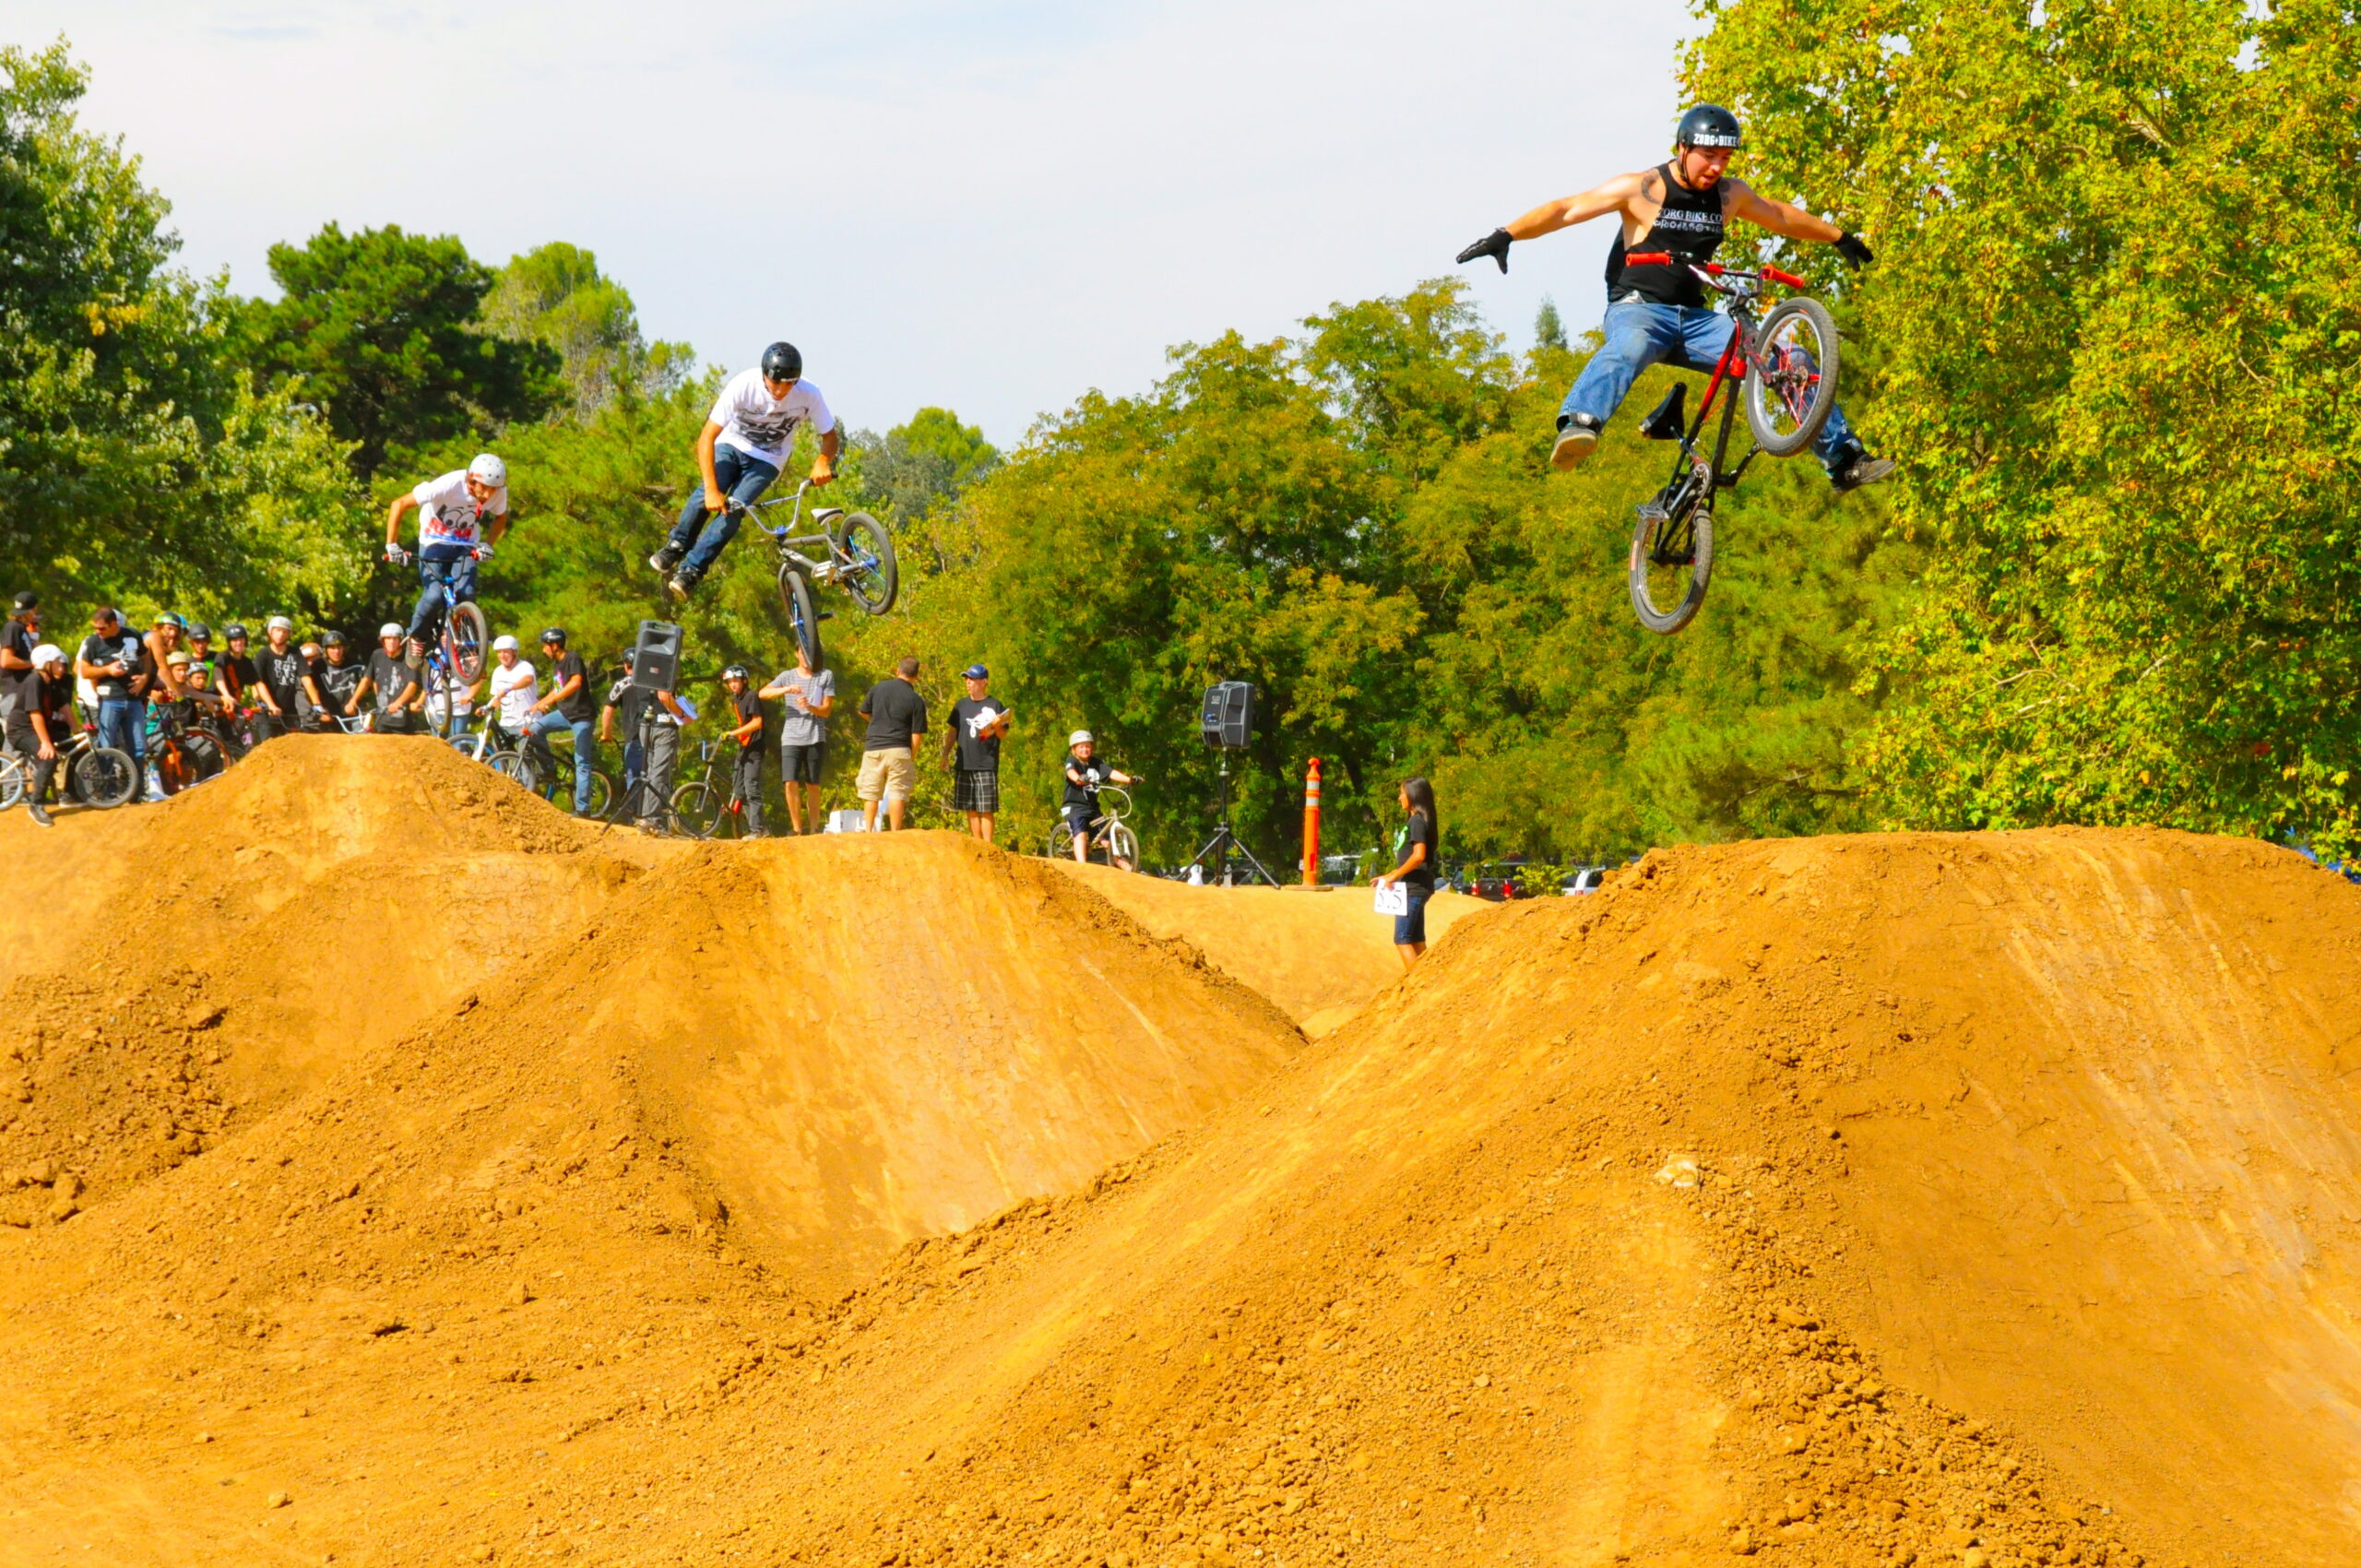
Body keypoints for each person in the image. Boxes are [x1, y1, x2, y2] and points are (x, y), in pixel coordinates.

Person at [1456, 103, 1894, 492]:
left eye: (1724, 158)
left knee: (1788, 359)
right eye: (1708, 156)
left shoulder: (1730, 194)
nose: (1716, 168)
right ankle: (1579, 423)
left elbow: (1778, 215)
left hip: (1699, 320)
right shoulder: (1643, 188)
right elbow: (1567, 208)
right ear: (1683, 148)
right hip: (1640, 310)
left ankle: (1843, 461)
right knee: (1631, 345)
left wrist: (1838, 237)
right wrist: (1507, 233)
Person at [647, 342, 837, 600]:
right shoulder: (743, 385)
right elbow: (706, 438)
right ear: (764, 376)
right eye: (775, 383)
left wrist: (823, 460)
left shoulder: (809, 394)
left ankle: (691, 571)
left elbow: (829, 436)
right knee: (707, 492)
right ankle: (676, 545)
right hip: (732, 445)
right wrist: (713, 490)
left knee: (736, 508)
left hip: (769, 459)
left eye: (788, 385)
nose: (781, 390)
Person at [386, 453, 509, 644]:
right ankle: (417, 637)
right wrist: (392, 545)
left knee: (466, 592)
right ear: (472, 479)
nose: (487, 495)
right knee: (434, 595)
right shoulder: (449, 484)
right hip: (433, 542)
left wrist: (487, 544)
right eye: (484, 488)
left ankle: (466, 645)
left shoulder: (498, 493)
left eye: (493, 489)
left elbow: (500, 517)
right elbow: (399, 504)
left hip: (466, 545)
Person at [599, 663, 693, 831]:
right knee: (658, 773)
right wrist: (683, 715)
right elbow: (664, 696)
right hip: (663, 727)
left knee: (649, 774)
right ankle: (651, 819)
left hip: (645, 726)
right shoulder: (663, 669)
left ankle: (645, 817)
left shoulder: (641, 674)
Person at [521, 626, 599, 814]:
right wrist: (540, 703)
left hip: (582, 717)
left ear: (555, 645)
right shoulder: (557, 665)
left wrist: (552, 700)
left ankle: (583, 808)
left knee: (581, 761)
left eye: (545, 646)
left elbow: (575, 683)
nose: (543, 650)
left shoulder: (573, 659)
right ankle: (549, 768)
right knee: (534, 729)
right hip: (565, 714)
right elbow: (558, 688)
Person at [758, 643, 834, 835]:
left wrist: (810, 707)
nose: (807, 657)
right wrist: (785, 690)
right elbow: (763, 693)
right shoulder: (787, 676)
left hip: (815, 736)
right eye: (803, 652)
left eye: (810, 653)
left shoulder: (825, 675)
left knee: (813, 784)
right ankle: (797, 828)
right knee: (790, 782)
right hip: (791, 737)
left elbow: (826, 710)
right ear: (796, 654)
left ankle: (815, 827)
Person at [1373, 777, 1441, 969]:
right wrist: (1388, 875)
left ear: (1413, 795)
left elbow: (1418, 857)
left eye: (1402, 793)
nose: (1399, 798)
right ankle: (1429, 979)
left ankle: (1416, 985)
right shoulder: (1417, 821)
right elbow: (1408, 860)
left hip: (1412, 889)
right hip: (1415, 886)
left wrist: (1394, 877)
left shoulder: (1416, 822)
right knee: (1417, 939)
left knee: (1402, 938)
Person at [857, 656, 928, 832]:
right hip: (899, 748)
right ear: (917, 676)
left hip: (874, 747)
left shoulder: (878, 688)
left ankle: (868, 830)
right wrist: (912, 755)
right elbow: (916, 735)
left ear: (897, 671)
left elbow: (863, 711)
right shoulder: (916, 699)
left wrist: (876, 722)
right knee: (898, 792)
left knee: (871, 793)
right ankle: (895, 833)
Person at [945, 663, 1012, 844]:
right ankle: (977, 843)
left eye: (972, 679)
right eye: (967, 678)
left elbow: (1003, 734)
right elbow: (952, 731)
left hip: (985, 763)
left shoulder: (994, 704)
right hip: (964, 762)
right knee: (970, 807)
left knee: (986, 808)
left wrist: (997, 725)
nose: (968, 682)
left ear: (984, 682)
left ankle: (988, 846)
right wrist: (945, 754)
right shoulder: (960, 704)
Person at [76, 607, 152, 764]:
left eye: (102, 628)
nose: (98, 631)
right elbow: (84, 671)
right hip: (109, 700)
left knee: (138, 747)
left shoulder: (132, 635)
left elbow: (146, 658)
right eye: (95, 628)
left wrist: (144, 678)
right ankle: (107, 786)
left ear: (113, 624)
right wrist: (108, 670)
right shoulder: (93, 642)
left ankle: (138, 787)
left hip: (133, 699)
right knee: (106, 747)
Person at [7, 644, 72, 827]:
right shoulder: (34, 680)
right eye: (58, 661)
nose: (61, 665)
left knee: (69, 744)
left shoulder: (50, 681)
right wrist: (46, 743)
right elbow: (35, 713)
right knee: (49, 758)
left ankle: (71, 793)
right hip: (21, 730)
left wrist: (77, 731)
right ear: (47, 664)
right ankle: (36, 804)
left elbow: (64, 706)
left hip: (37, 728)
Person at [1061, 731, 1139, 865]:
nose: (1085, 749)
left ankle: (1130, 869)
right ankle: (1082, 867)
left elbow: (1111, 773)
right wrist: (1079, 778)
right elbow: (1070, 772)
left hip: (1092, 808)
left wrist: (1129, 780)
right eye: (1081, 746)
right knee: (1081, 835)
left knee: (1108, 842)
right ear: (1074, 749)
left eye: (1088, 746)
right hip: (1074, 807)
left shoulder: (1096, 762)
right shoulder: (1072, 761)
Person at [720, 665, 766, 837]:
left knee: (751, 787)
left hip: (755, 748)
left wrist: (734, 733)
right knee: (739, 790)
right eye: (729, 682)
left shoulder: (751, 696)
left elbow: (757, 723)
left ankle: (757, 829)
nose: (732, 685)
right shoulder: (736, 699)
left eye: (735, 681)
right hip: (743, 747)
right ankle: (761, 828)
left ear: (744, 681)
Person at [253, 616, 315, 739]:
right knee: (267, 750)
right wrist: (271, 705)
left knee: (296, 747)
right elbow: (258, 683)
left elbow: (306, 678)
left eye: (285, 631)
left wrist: (317, 704)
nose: (281, 634)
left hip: (289, 711)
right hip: (267, 712)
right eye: (278, 630)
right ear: (270, 632)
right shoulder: (263, 654)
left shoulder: (295, 653)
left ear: (289, 635)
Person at [355, 625, 424, 734]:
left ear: (401, 640)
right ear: (382, 641)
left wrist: (398, 703)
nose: (391, 642)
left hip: (403, 721)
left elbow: (412, 685)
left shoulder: (410, 658)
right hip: (382, 719)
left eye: (395, 638)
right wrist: (353, 700)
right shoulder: (377, 655)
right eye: (388, 638)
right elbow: (367, 679)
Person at [484, 635, 538, 746]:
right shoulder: (497, 672)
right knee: (499, 755)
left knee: (529, 758)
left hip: (527, 722)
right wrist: (487, 708)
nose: (502, 656)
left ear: (514, 652)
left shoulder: (525, 667)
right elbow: (497, 698)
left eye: (506, 652)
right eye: (499, 652)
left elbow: (528, 679)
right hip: (506, 724)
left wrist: (509, 689)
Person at [2, 590, 41, 734]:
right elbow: (6, 660)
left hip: (21, 691)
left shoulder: (22, 629)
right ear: (31, 610)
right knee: (17, 737)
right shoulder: (13, 627)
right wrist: (33, 663)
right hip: (14, 691)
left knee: (23, 738)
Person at [317, 632, 367, 731]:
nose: (336, 651)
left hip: (354, 716)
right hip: (329, 717)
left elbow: (366, 682)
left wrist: (354, 702)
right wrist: (320, 710)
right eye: (332, 648)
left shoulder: (356, 664)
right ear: (325, 650)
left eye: (339, 647)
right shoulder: (318, 666)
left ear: (344, 648)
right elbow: (310, 690)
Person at [215, 624, 257, 710]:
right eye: (234, 640)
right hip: (218, 702)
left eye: (241, 639)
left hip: (234, 706)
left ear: (246, 640)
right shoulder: (223, 657)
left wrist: (262, 702)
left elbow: (257, 683)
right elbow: (217, 673)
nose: (239, 643)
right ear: (229, 643)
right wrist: (226, 695)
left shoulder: (247, 662)